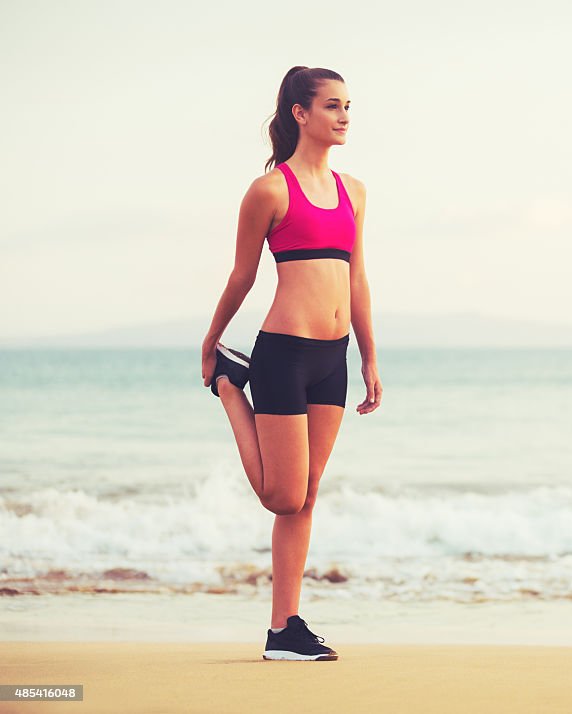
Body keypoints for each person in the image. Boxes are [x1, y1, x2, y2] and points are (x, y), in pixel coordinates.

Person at [200, 66, 382, 662]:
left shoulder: (354, 191)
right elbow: (243, 274)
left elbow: (356, 279)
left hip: (334, 357)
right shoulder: (271, 190)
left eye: (348, 105)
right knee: (282, 496)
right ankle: (233, 386)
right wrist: (214, 340)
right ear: (300, 114)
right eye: (333, 105)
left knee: (306, 498)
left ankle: (285, 628)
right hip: (283, 352)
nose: (345, 115)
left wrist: (370, 358)